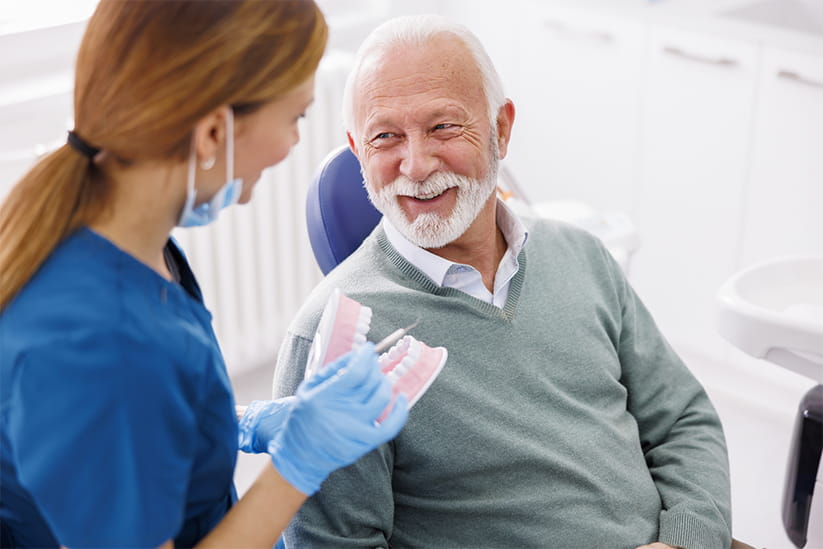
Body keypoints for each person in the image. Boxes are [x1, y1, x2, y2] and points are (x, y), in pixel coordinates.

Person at [272, 14, 732, 549]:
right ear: (358, 152)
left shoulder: (582, 258)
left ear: (502, 129)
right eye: (386, 137)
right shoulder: (335, 344)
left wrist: (686, 540)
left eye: (443, 126)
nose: (415, 165)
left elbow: (683, 420)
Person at [0, 1, 408, 548]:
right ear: (215, 131)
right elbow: (118, 396)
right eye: (296, 118)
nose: (293, 143)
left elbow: (128, 430)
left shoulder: (125, 239)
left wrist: (233, 422)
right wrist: (297, 467)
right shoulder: (100, 347)